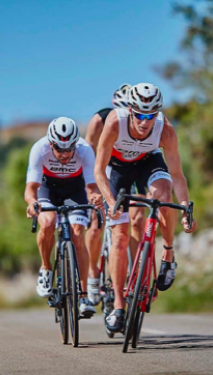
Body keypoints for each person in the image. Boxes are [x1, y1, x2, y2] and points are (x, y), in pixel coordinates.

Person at [94, 83, 198, 333]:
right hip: (117, 167)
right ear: (130, 110)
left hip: (148, 162)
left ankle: (168, 253)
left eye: (151, 115)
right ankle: (118, 305)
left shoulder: (165, 130)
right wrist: (111, 203)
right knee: (119, 235)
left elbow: (178, 175)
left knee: (164, 193)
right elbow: (99, 170)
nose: (145, 121)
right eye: (140, 114)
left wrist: (185, 208)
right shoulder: (114, 123)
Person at [25, 117, 103, 318]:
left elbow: (92, 186)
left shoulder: (85, 150)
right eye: (59, 149)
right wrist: (32, 203)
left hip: (74, 190)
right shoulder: (39, 149)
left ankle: (84, 296)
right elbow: (30, 189)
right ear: (51, 144)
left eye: (70, 149)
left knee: (78, 235)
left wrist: (95, 197)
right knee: (48, 223)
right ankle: (46, 268)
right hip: (47, 189)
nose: (65, 154)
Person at [84, 84, 154, 304]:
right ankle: (93, 273)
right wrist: (91, 188)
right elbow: (87, 155)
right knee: (96, 225)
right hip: (106, 168)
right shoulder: (101, 120)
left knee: (138, 218)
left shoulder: (144, 125)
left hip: (133, 167)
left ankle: (135, 275)